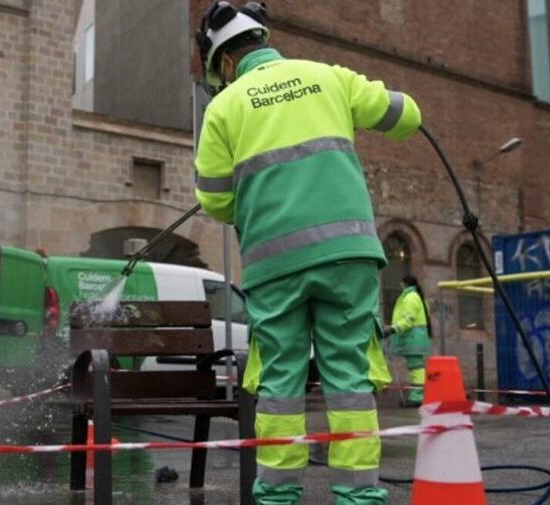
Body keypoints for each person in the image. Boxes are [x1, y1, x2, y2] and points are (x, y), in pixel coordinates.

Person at [193, 2, 421, 504]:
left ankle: (277, 497)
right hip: (348, 256)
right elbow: (407, 116)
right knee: (349, 378)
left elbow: (213, 198)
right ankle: (359, 497)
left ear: (225, 63)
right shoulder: (328, 76)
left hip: (275, 265)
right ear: (262, 39)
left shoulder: (224, 108)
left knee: (279, 381)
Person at [385, 275, 432, 407]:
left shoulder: (410, 298)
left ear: (404, 283)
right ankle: (417, 395)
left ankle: (417, 396)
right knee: (415, 367)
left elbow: (408, 319)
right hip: (417, 337)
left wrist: (393, 329)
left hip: (412, 337)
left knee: (416, 368)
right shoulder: (417, 297)